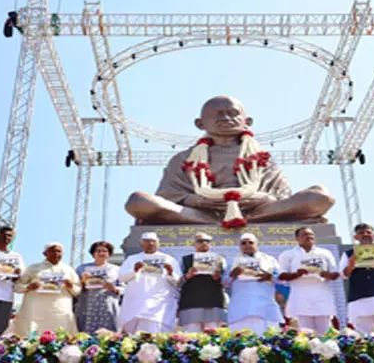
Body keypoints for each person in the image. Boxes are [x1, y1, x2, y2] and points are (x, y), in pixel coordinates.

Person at [125, 96, 335, 226]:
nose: (226, 118)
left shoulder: (263, 157)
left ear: (247, 121)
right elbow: (167, 195)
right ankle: (215, 220)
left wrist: (262, 198)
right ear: (200, 123)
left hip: (256, 210)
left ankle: (237, 221)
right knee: (138, 201)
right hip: (198, 212)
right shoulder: (182, 159)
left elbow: (280, 196)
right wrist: (197, 201)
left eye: (233, 113)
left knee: (319, 197)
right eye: (218, 114)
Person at [278, 227, 339, 335]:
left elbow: (335, 274)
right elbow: (281, 275)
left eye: (311, 234)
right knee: (304, 334)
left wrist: (326, 274)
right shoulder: (288, 255)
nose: (309, 236)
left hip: (322, 297)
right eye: (305, 234)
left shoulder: (325, 253)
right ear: (297, 238)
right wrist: (297, 274)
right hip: (300, 298)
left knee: (325, 334)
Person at [118, 232, 181, 333]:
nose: (150, 244)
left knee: (157, 333)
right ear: (141, 244)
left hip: (160, 303)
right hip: (137, 303)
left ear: (158, 244)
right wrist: (134, 270)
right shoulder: (132, 259)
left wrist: (170, 272)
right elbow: (122, 278)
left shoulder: (168, 259)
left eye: (153, 241)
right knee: (135, 336)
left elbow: (178, 281)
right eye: (147, 241)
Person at [13, 243, 80, 335]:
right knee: (32, 335)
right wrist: (28, 287)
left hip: (60, 309)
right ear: (45, 253)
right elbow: (17, 287)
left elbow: (78, 290)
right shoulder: (33, 267)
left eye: (59, 251)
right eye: (53, 251)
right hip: (35, 310)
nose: (56, 253)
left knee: (60, 334)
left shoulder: (68, 269)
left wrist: (70, 286)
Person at [225, 233, 284, 335]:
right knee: (240, 342)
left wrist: (270, 276)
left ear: (257, 244)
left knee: (267, 341)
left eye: (250, 242)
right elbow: (224, 283)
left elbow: (281, 280)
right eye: (243, 243)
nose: (247, 245)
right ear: (240, 246)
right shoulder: (232, 262)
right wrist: (232, 275)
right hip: (240, 308)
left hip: (265, 307)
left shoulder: (269, 260)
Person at [178, 232, 227, 332]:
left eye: (207, 241)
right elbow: (176, 282)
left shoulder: (220, 259)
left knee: (212, 338)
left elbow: (227, 281)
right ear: (193, 244)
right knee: (192, 337)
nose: (204, 243)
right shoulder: (185, 260)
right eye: (200, 241)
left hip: (213, 303)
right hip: (191, 304)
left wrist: (218, 278)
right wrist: (188, 276)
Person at [75, 241, 123, 334]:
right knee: (86, 334)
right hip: (88, 306)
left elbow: (123, 287)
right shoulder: (82, 268)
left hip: (108, 305)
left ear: (109, 254)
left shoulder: (116, 269)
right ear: (93, 254)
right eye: (98, 251)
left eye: (104, 251)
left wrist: (114, 288)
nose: (101, 253)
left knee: (109, 335)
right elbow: (75, 288)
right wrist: (83, 281)